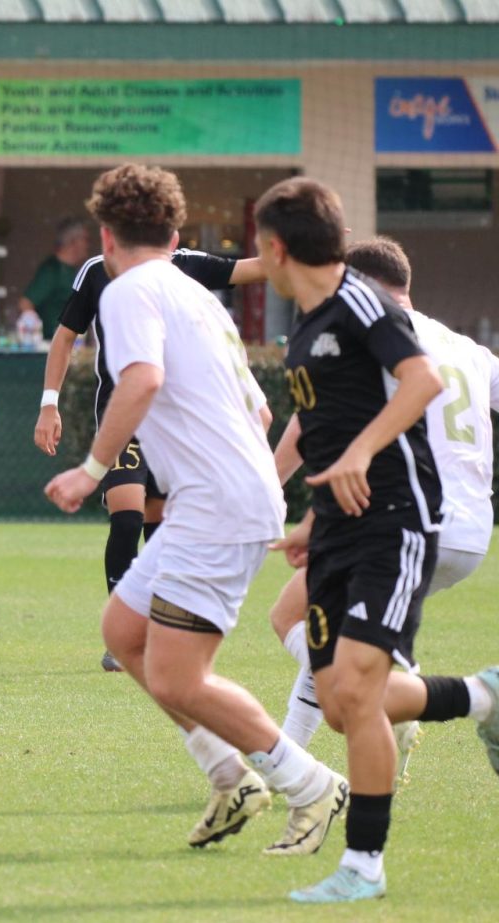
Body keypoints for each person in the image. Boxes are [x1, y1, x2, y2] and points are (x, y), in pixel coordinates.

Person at [45, 164, 348, 858]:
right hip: (213, 498)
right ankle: (227, 774)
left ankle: (310, 785)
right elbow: (263, 408)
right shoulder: (195, 295)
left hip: (216, 503)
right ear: (176, 234)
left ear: (105, 235)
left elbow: (143, 380)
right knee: (124, 630)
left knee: (181, 676)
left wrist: (91, 469)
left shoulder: (126, 293)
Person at [257, 179, 499, 904]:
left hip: (394, 520)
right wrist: (312, 513)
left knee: (357, 693)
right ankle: (485, 695)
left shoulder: (362, 301)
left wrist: (361, 456)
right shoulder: (306, 324)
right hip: (338, 524)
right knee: (340, 701)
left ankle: (363, 864)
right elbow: (329, 424)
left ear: (276, 246)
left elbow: (420, 381)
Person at [35, 235, 268, 672]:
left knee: (159, 525)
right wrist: (49, 402)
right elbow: (65, 337)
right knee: (127, 513)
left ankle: (158, 628)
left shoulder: (186, 266)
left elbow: (253, 268)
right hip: (124, 413)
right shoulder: (97, 270)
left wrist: (315, 248)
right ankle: (120, 637)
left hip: (174, 423)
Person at [16, 218, 90, 343]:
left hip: (73, 345)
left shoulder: (75, 270)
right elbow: (25, 303)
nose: (88, 245)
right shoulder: (52, 270)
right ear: (73, 242)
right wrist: (33, 335)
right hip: (51, 346)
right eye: (85, 240)